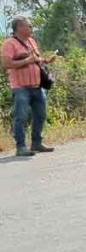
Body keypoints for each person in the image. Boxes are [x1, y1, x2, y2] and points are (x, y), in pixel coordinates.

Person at [3, 15, 57, 156]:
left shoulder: (32, 41)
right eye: (29, 26)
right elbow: (7, 64)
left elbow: (36, 60)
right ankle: (21, 147)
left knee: (41, 115)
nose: (31, 28)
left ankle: (36, 143)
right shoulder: (10, 43)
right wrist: (28, 60)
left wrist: (45, 60)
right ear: (20, 27)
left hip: (37, 86)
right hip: (21, 87)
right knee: (20, 116)